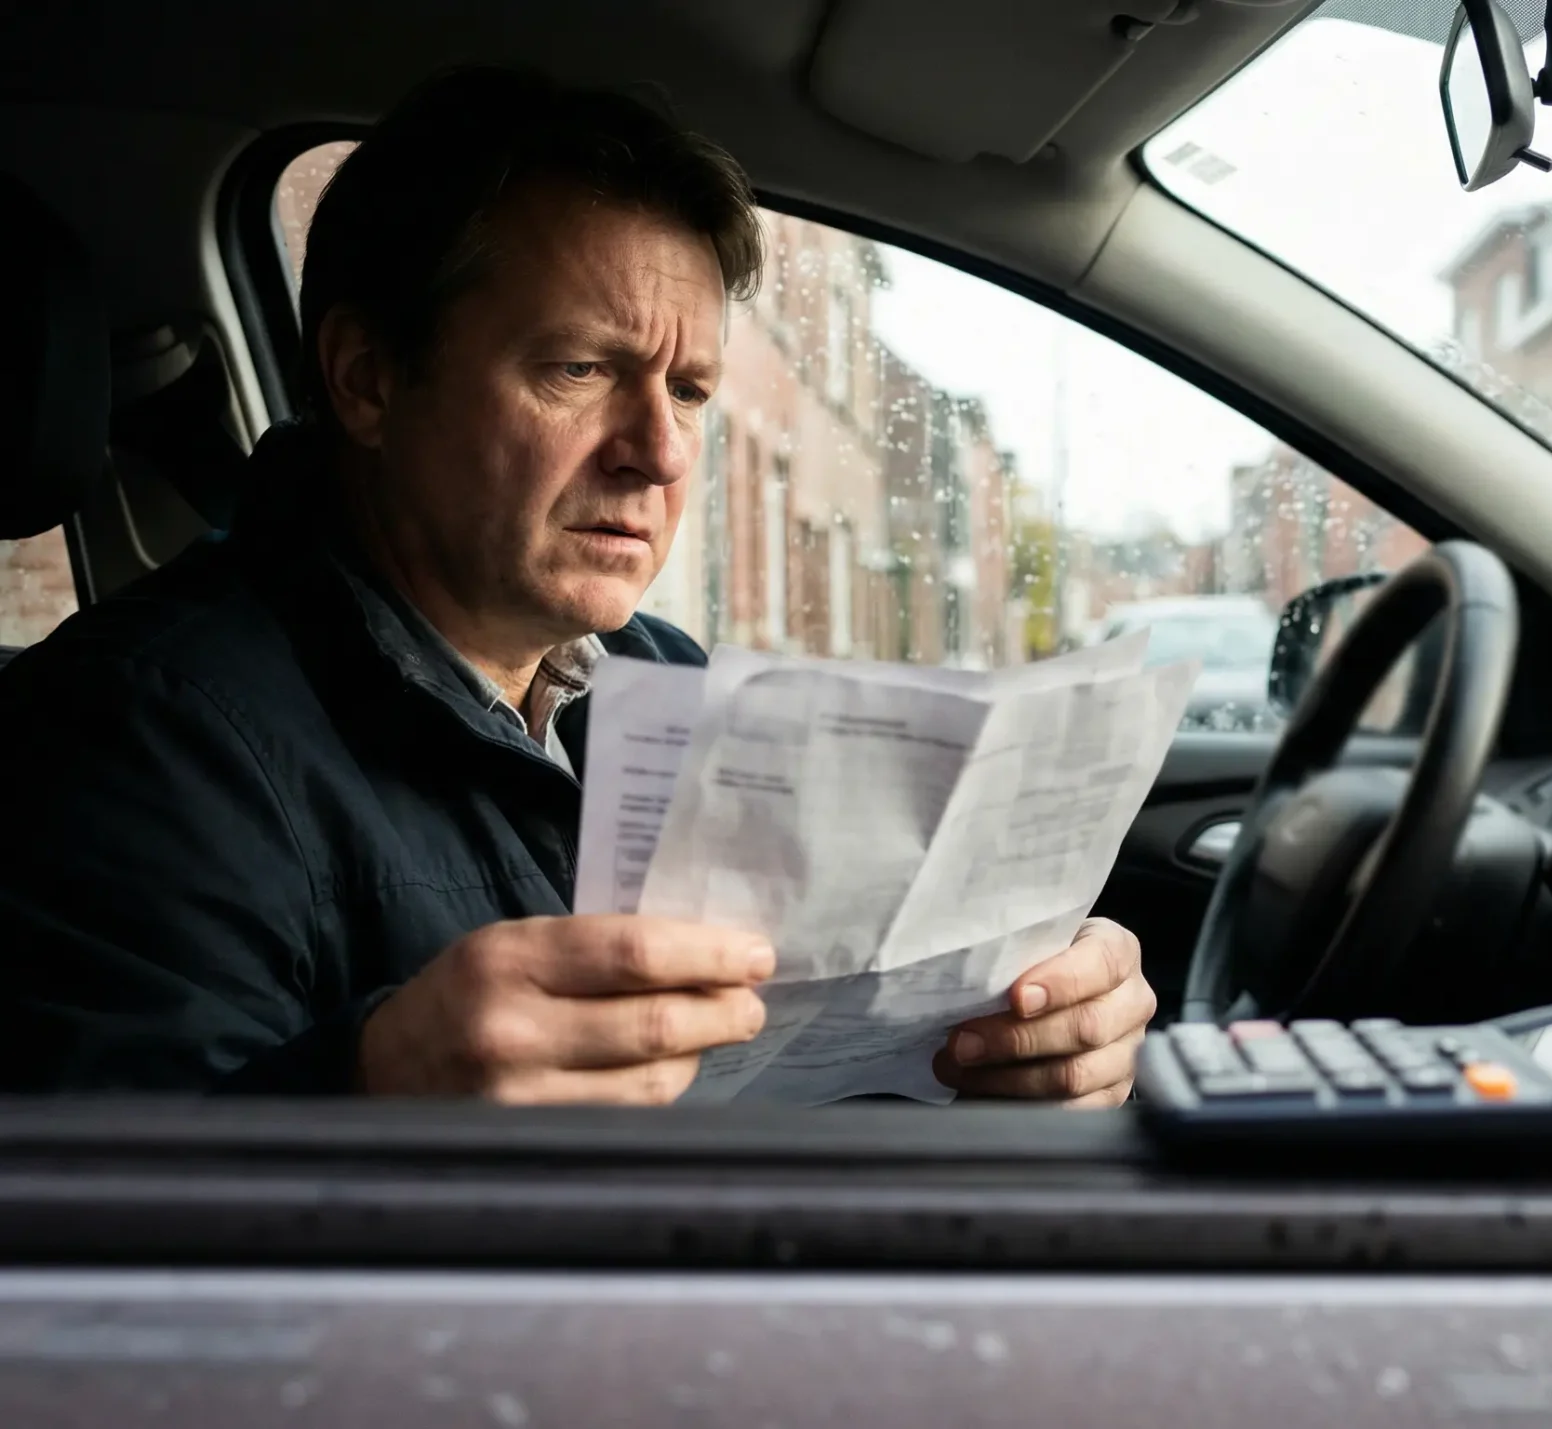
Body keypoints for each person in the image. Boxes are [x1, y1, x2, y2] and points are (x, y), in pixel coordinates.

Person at [0, 69, 1155, 1104]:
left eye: (689, 390)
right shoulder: (141, 735)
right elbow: (95, 1230)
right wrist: (370, 1092)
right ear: (367, 380)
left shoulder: (671, 684)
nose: (659, 452)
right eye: (581, 368)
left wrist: (1026, 1042)